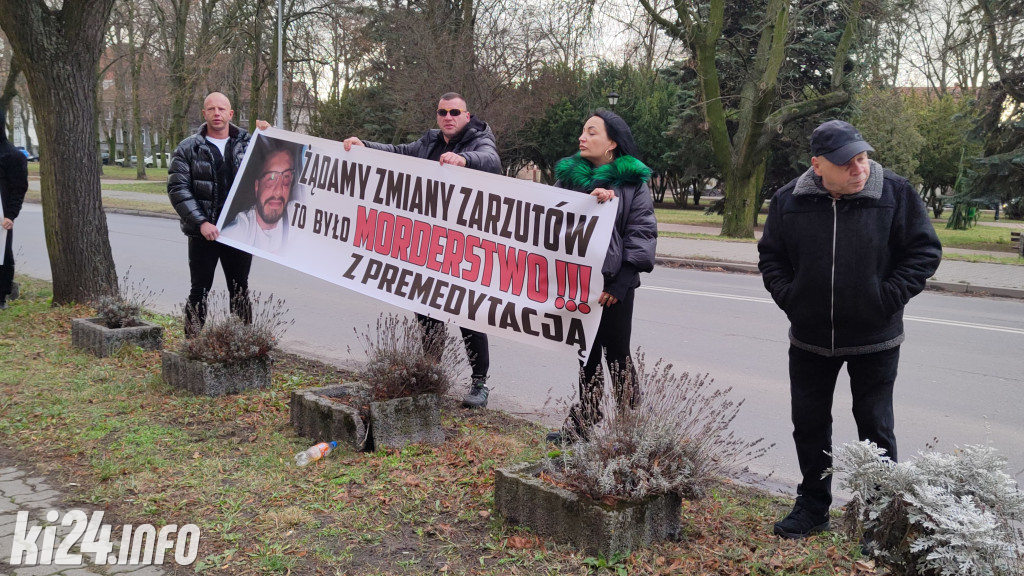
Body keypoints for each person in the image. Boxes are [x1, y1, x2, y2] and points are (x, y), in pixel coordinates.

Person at [757, 119, 942, 539]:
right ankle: (813, 507)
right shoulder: (790, 200)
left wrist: (887, 298)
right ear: (818, 165)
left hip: (875, 338)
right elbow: (772, 258)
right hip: (809, 338)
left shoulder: (894, 194)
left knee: (875, 426)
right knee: (809, 423)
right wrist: (793, 299)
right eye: (848, 163)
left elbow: (924, 251)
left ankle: (878, 513)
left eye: (862, 158)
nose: (859, 168)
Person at [342, 92, 502, 409]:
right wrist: (367, 147)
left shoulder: (479, 139)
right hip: (428, 244)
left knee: (467, 314)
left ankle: (480, 383)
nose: (448, 116)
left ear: (466, 116)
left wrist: (465, 160)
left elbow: (492, 161)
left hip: (465, 245)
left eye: (455, 111)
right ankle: (431, 374)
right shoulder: (429, 142)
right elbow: (399, 153)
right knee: (427, 311)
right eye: (443, 111)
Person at [545, 110, 658, 444]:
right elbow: (547, 216)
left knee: (617, 353)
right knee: (587, 351)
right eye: (582, 131)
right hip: (578, 283)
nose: (582, 137)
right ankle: (586, 419)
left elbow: (642, 233)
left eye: (592, 132)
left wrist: (621, 281)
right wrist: (587, 198)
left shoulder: (632, 185)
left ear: (612, 144)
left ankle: (631, 429)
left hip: (614, 286)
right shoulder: (568, 179)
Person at [168, 92, 253, 336]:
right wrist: (201, 222)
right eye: (211, 109)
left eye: (221, 109)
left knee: (239, 290)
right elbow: (178, 189)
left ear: (230, 113)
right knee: (199, 290)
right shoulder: (188, 148)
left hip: (239, 232)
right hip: (203, 235)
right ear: (204, 113)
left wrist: (269, 133)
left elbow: (269, 171)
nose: (217, 113)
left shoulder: (249, 144)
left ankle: (243, 342)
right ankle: (192, 343)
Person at [222, 145, 295, 253]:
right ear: (257, 186)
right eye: (271, 178)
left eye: (286, 179)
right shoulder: (242, 229)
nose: (278, 191)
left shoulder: (297, 215)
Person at [0, 111, 29, 310]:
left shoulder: (12, 155)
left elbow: (18, 188)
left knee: (2, 255)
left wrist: (11, 214)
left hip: (2, 216)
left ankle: (1, 296)